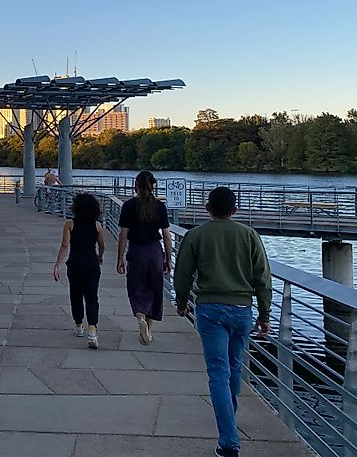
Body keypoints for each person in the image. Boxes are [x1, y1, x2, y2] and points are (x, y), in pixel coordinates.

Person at [174, 186, 272, 457]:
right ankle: (230, 418)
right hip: (242, 308)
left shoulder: (196, 235)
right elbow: (263, 278)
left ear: (207, 208)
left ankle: (228, 442)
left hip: (210, 309)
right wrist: (264, 315)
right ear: (235, 210)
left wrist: (181, 303)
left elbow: (182, 273)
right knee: (234, 367)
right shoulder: (249, 235)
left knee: (218, 372)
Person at [116, 170, 172, 345]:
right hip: (155, 251)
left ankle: (140, 316)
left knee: (136, 287)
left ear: (136, 186)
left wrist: (120, 257)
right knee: (155, 289)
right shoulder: (160, 207)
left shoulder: (129, 206)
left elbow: (123, 234)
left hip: (136, 251)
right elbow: (167, 235)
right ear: (153, 185)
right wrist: (169, 258)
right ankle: (148, 329)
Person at [53, 193, 105, 349]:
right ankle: (92, 331)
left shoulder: (70, 224)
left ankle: (78, 325)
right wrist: (99, 256)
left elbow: (64, 246)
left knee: (75, 295)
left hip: (75, 264)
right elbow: (102, 246)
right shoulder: (97, 225)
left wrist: (57, 264)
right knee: (92, 297)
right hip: (91, 264)